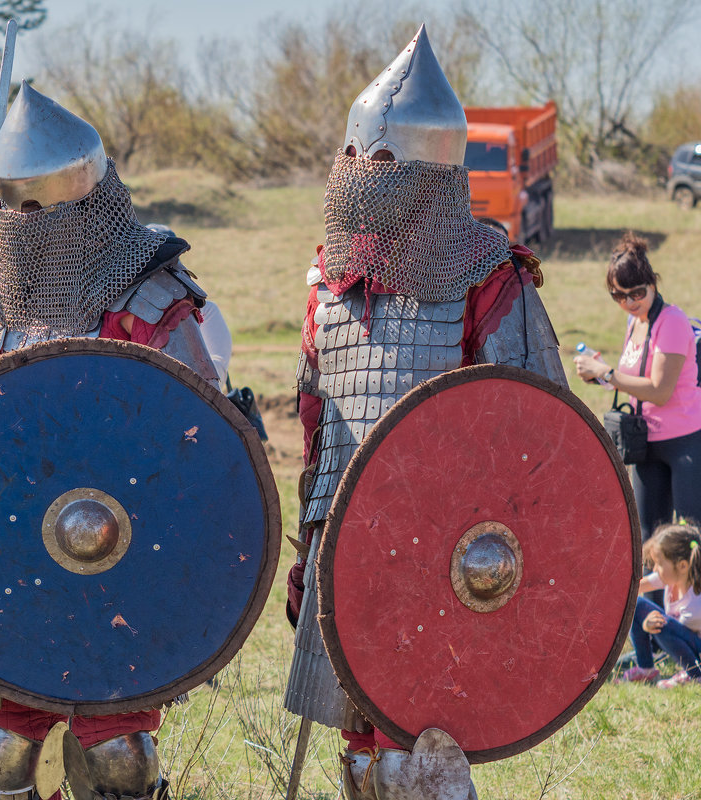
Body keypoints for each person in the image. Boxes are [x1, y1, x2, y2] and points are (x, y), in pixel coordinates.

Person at [284, 26, 567, 800]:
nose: (365, 176)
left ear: (429, 171)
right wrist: (310, 543)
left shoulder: (487, 275)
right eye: (357, 159)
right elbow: (318, 423)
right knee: (363, 755)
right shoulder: (329, 280)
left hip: (444, 539)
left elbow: (542, 432)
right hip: (344, 525)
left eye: (384, 163)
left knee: (419, 741)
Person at [0, 81, 218, 800]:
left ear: (87, 201)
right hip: (21, 556)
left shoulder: (153, 299)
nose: (26, 225)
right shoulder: (5, 309)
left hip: (125, 551)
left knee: (119, 755)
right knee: (7, 750)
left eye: (39, 208)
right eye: (13, 210)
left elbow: (200, 444)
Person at [574, 233, 701, 592]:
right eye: (619, 295)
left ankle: (694, 625)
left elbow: (660, 390)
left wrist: (609, 375)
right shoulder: (636, 321)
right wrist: (602, 377)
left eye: (636, 293)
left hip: (685, 443)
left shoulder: (671, 322)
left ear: (652, 283)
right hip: (647, 444)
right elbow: (636, 378)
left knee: (692, 538)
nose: (629, 302)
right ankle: (654, 631)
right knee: (650, 542)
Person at [622, 523, 701, 687]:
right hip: (683, 639)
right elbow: (634, 588)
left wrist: (649, 624)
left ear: (682, 566)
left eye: (659, 563)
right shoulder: (674, 577)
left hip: (696, 651)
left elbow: (673, 632)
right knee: (634, 603)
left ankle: (694, 674)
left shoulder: (695, 604)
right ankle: (646, 669)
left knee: (661, 624)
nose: (655, 569)